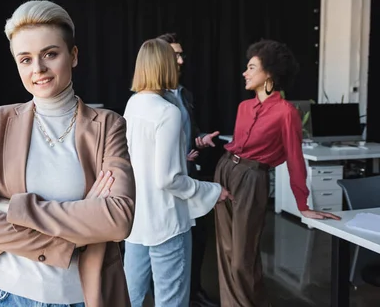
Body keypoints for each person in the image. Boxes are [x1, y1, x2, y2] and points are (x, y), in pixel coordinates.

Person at [0, 0, 136, 307]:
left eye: (50, 54)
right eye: (25, 60)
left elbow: (118, 219)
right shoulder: (0, 121)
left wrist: (13, 208)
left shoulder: (108, 125)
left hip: (77, 297)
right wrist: (74, 231)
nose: (38, 69)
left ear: (73, 55)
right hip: (1, 295)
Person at [215, 39, 341, 307]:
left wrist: (302, 204)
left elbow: (295, 159)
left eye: (251, 67)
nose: (245, 73)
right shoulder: (243, 108)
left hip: (251, 178)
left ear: (269, 73)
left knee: (242, 257)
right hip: (225, 169)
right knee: (226, 249)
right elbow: (238, 143)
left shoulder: (287, 113)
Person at [123, 38, 233, 307]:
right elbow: (168, 179)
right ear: (164, 65)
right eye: (175, 59)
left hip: (136, 221)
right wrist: (213, 190)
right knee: (171, 302)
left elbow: (136, 160)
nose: (180, 62)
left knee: (130, 297)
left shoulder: (133, 104)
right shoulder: (167, 111)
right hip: (166, 223)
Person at [156, 33, 221, 307]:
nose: (181, 60)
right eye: (175, 55)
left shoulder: (183, 93)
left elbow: (188, 133)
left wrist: (200, 140)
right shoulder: (151, 97)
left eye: (182, 54)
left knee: (199, 236)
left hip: (189, 172)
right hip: (169, 180)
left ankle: (194, 291)